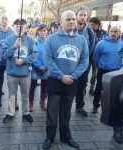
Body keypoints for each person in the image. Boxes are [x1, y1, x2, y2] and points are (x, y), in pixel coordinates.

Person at [42, 10, 89, 149]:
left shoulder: (81, 40)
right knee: (52, 111)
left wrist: (73, 76)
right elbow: (47, 60)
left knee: (66, 111)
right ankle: (49, 137)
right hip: (55, 80)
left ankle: (65, 136)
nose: (72, 21)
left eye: (73, 19)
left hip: (72, 81)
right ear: (61, 22)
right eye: (68, 19)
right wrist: (60, 76)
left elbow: (85, 60)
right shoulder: (51, 39)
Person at [2, 18, 37, 124]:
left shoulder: (30, 40)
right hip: (12, 74)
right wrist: (14, 47)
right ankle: (10, 112)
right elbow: (4, 55)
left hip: (25, 74)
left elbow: (34, 55)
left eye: (22, 26)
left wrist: (24, 60)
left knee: (25, 94)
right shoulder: (8, 40)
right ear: (14, 26)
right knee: (12, 94)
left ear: (26, 27)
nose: (19, 27)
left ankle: (25, 113)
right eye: (17, 25)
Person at [92, 26, 122, 114]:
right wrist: (99, 66)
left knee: (115, 91)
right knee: (99, 89)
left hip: (117, 71)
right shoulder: (101, 43)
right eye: (111, 31)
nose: (113, 33)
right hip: (103, 70)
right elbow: (95, 57)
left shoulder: (122, 43)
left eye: (115, 31)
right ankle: (95, 106)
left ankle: (113, 109)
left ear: (119, 33)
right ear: (108, 32)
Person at [74, 6, 95, 117]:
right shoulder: (70, 29)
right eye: (80, 15)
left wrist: (83, 60)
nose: (83, 17)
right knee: (68, 85)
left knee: (82, 85)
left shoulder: (90, 32)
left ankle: (79, 106)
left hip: (83, 65)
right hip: (70, 64)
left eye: (85, 15)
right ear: (76, 16)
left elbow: (91, 47)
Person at [0, 14, 14, 108]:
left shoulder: (13, 32)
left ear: (8, 20)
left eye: (6, 18)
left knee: (12, 84)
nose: (4, 20)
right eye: (3, 18)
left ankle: (13, 103)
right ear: (0, 20)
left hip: (10, 61)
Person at [29, 24, 48, 112]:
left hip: (46, 68)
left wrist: (46, 66)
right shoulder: (34, 41)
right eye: (41, 31)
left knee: (44, 87)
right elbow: (32, 55)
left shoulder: (49, 42)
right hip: (35, 68)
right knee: (32, 86)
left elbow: (51, 55)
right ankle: (31, 104)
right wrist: (38, 65)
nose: (43, 32)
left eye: (44, 31)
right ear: (38, 32)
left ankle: (42, 102)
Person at [88, 17, 107, 96]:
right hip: (88, 56)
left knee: (94, 74)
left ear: (97, 25)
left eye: (93, 25)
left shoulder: (104, 33)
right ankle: (83, 88)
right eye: (90, 25)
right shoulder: (87, 31)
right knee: (85, 73)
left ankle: (92, 87)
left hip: (97, 57)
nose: (91, 26)